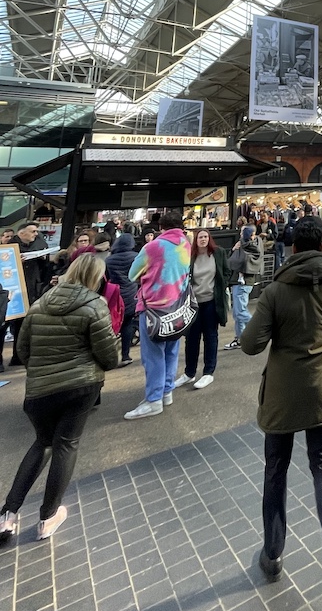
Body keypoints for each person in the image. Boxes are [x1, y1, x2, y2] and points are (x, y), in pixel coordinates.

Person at [240, 216, 322, 611]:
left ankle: (273, 554)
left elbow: (250, 344)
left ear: (293, 247)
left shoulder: (276, 289)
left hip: (281, 396)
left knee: (275, 470)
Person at [0, 253, 119, 545]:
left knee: (43, 442)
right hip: (80, 387)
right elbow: (109, 358)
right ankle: (47, 517)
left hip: (40, 390)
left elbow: (23, 351)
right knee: (66, 445)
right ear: (95, 277)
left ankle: (8, 514)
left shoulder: (39, 305)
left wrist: (44, 371)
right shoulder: (95, 306)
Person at [124, 214, 191, 420]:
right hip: (178, 307)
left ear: (161, 227)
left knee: (153, 356)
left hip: (154, 308)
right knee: (171, 351)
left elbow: (132, 275)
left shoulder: (152, 247)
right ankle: (166, 392)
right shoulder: (186, 244)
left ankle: (154, 400)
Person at [174, 229, 228, 391]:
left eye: (205, 236)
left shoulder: (218, 253)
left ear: (209, 238)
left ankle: (208, 372)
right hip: (194, 303)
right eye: (200, 237)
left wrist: (221, 286)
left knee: (210, 336)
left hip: (212, 302)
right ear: (195, 240)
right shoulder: (191, 255)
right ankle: (189, 372)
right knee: (191, 338)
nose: (203, 239)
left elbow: (226, 271)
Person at [8, 222, 52, 366]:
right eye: (33, 231)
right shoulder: (9, 247)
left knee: (25, 324)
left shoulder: (38, 244)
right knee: (10, 325)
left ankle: (20, 355)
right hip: (14, 290)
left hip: (31, 289)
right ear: (22, 234)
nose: (36, 234)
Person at [104, 233, 139, 366]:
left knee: (113, 325)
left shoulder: (109, 260)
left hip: (115, 295)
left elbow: (106, 278)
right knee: (128, 324)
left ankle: (110, 356)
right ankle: (125, 355)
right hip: (131, 294)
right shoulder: (135, 257)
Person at [226, 225, 263, 349]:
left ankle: (259, 328)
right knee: (237, 313)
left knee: (240, 312)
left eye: (242, 232)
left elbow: (235, 262)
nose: (240, 234)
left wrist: (235, 250)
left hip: (243, 282)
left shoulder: (248, 245)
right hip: (241, 281)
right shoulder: (249, 244)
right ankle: (240, 339)